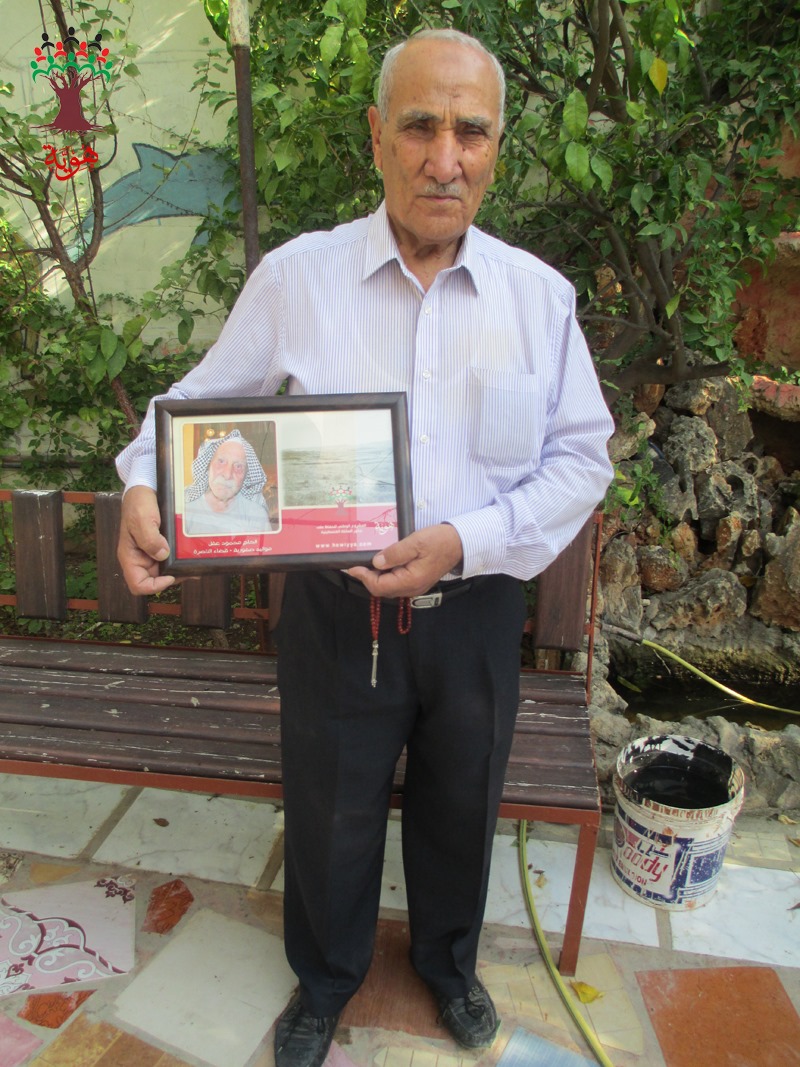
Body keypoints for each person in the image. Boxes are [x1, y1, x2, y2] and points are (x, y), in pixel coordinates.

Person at [116, 28, 614, 1067]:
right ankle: (325, 979)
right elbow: (196, 406)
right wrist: (142, 482)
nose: (445, 158)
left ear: (497, 147)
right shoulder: (300, 279)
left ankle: (448, 966)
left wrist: (466, 540)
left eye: (470, 132)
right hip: (337, 615)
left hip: (475, 609)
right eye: (420, 126)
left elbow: (581, 459)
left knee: (461, 804)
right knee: (330, 807)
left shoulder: (537, 298)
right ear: (376, 136)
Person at [183, 429, 273, 535]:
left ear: (246, 476)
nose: (227, 475)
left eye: (238, 466)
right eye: (221, 461)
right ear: (208, 466)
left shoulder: (255, 513)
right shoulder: (184, 508)